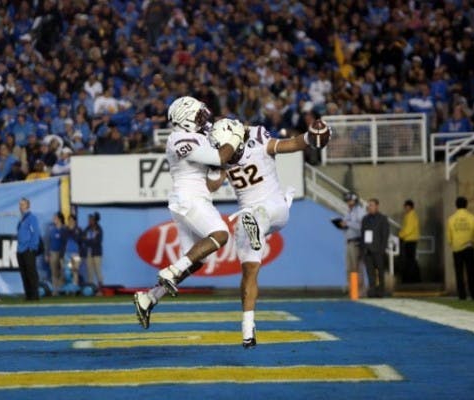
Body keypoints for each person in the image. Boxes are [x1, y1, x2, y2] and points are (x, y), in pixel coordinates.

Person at [205, 119, 330, 347]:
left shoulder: (257, 138)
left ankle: (254, 225)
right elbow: (212, 186)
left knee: (256, 214)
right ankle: (247, 328)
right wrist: (217, 164)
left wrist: (312, 139)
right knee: (249, 271)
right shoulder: (222, 156)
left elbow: (289, 144)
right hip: (250, 215)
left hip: (275, 208)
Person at [133, 97, 243, 329]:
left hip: (192, 199)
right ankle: (171, 271)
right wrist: (235, 135)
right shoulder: (180, 138)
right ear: (185, 119)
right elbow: (220, 156)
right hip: (188, 199)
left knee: (195, 261)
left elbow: (213, 182)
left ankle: (150, 297)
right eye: (198, 115)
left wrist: (225, 164)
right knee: (221, 234)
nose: (203, 119)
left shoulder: (198, 138)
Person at [447, 196, 474, 300]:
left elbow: (449, 235)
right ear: (466, 205)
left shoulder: (451, 219)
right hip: (469, 246)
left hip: (457, 248)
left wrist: (451, 243)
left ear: (456, 205)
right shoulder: (472, 217)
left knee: (459, 272)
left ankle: (462, 295)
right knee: (471, 272)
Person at [339, 192, 367, 296]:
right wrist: (342, 225)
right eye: (347, 201)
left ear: (354, 200)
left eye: (350, 200)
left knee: (357, 267)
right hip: (349, 241)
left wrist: (348, 223)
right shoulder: (349, 212)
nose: (348, 203)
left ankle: (361, 290)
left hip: (356, 241)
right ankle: (352, 288)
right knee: (349, 267)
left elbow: (362, 226)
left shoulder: (360, 211)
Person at [361, 198, 390, 298]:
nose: (369, 207)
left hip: (378, 250)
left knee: (380, 272)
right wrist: (363, 249)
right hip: (367, 250)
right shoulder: (365, 219)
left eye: (371, 205)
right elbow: (362, 234)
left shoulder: (383, 219)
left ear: (377, 206)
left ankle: (381, 291)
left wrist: (382, 250)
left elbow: (385, 235)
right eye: (369, 205)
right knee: (370, 272)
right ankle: (372, 291)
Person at [17, 197, 41, 300]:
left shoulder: (31, 218)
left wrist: (32, 247)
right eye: (20, 204)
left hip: (28, 249)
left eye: (23, 204)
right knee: (24, 273)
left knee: (31, 273)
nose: (21, 207)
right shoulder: (22, 219)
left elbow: (35, 233)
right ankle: (28, 295)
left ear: (28, 206)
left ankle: (35, 295)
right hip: (21, 249)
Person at [398, 199, 421, 283]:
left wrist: (401, 235)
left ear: (410, 207)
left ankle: (411, 279)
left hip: (410, 240)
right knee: (411, 260)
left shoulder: (411, 215)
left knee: (410, 260)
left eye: (406, 206)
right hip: (410, 239)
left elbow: (408, 229)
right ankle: (414, 278)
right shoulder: (410, 215)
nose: (405, 208)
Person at [83, 212, 103, 294]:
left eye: (91, 220)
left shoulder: (99, 229)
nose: (89, 221)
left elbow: (98, 241)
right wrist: (91, 240)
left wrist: (89, 240)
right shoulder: (87, 229)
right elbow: (83, 239)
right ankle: (90, 290)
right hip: (89, 253)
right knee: (89, 272)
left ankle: (101, 290)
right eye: (89, 220)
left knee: (98, 271)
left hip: (97, 253)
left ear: (94, 220)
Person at [47, 212, 65, 296]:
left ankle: (61, 288)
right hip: (53, 252)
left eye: (55, 218)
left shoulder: (64, 229)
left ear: (59, 219)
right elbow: (49, 242)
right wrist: (47, 254)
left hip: (62, 253)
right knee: (54, 272)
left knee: (63, 271)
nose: (53, 219)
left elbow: (65, 242)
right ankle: (55, 290)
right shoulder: (52, 230)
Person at [63, 214, 83, 287]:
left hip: (76, 254)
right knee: (68, 270)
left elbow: (80, 240)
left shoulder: (78, 230)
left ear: (75, 221)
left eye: (72, 220)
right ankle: (68, 287)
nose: (71, 221)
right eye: (69, 220)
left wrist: (73, 230)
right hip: (67, 254)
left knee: (76, 270)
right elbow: (63, 240)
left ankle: (75, 286)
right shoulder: (65, 230)